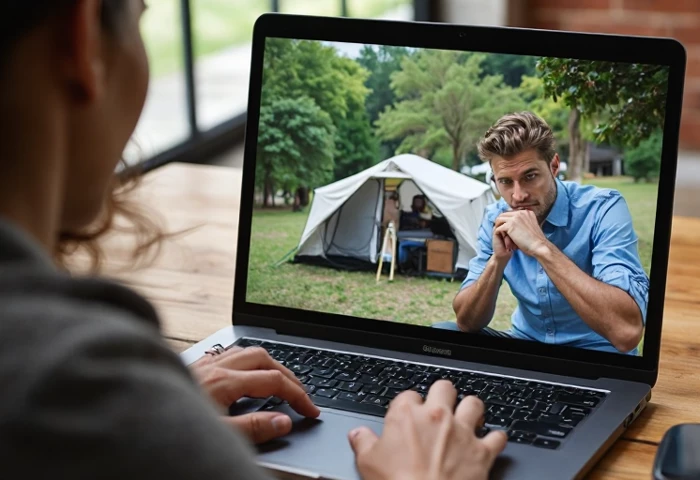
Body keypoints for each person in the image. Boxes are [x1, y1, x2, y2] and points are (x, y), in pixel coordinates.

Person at [0, 1, 506, 479]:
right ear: (84, 37)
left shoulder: (83, 392)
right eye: (141, 14)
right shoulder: (80, 389)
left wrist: (169, 405)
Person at [436, 112, 648, 355]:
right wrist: (497, 261)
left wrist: (541, 248)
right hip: (525, 349)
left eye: (530, 176)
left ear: (554, 166)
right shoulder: (496, 217)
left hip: (597, 356)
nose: (518, 196)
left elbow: (626, 332)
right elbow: (466, 322)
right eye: (505, 182)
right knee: (444, 334)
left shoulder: (603, 208)